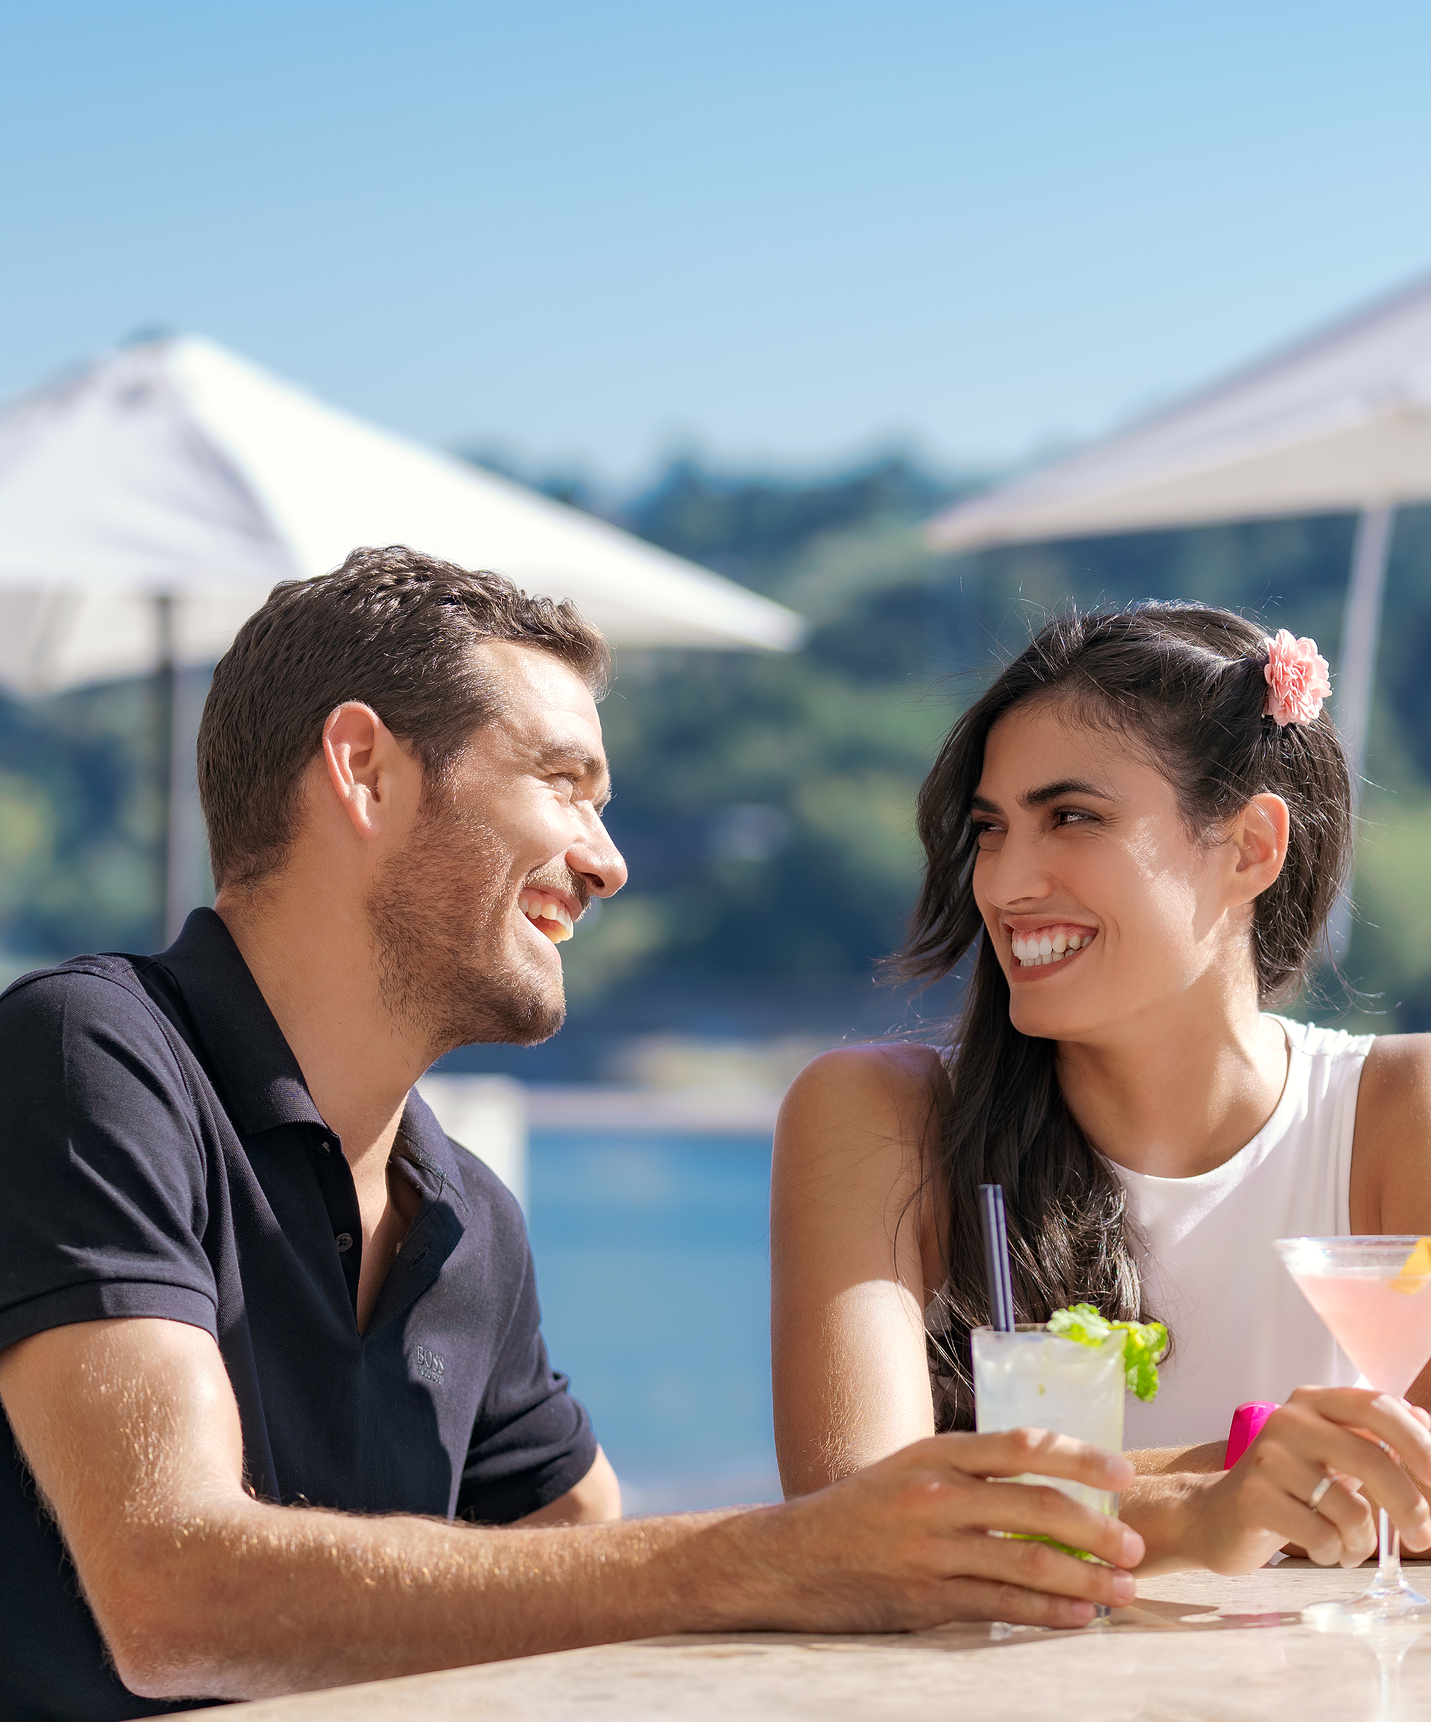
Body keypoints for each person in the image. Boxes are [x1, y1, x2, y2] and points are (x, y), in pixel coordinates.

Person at [0, 549, 1144, 1722]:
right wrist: (780, 1556)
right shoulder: (89, 1054)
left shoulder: (465, 1218)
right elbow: (174, 1602)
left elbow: (585, 1552)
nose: (609, 861)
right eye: (565, 785)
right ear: (365, 772)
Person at [772, 603, 1431, 1579]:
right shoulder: (879, 1119)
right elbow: (856, 1519)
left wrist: (1042, 1502)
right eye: (990, 831)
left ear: (1251, 846)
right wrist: (1204, 1506)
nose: (1004, 883)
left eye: (1071, 817)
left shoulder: (1398, 1114)